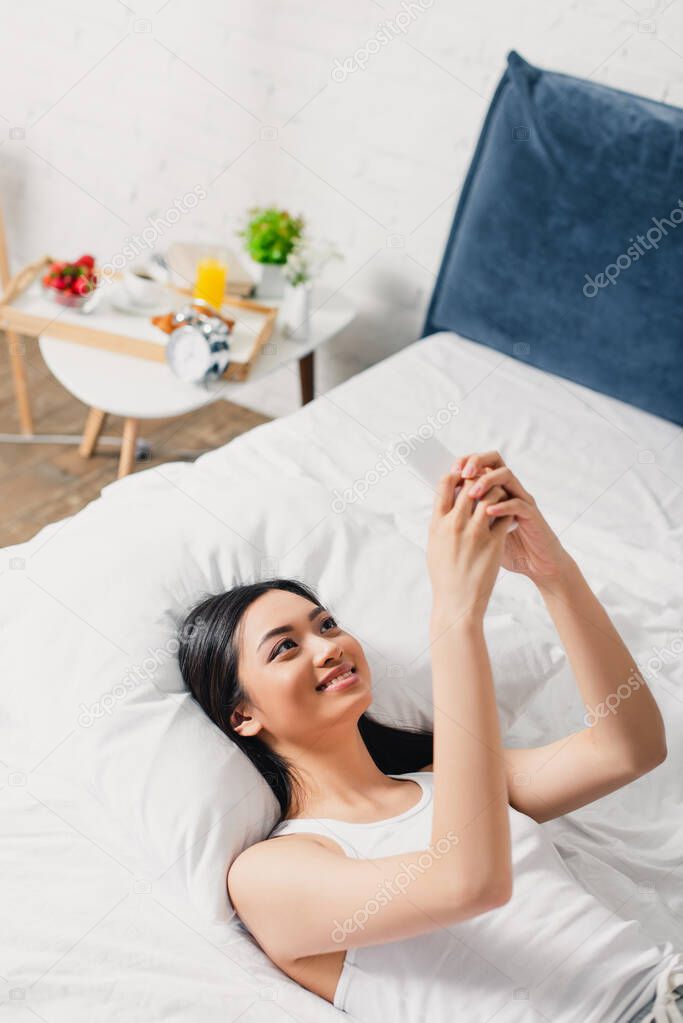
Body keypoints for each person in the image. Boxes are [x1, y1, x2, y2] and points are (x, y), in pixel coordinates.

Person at [178, 450, 683, 1022]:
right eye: (285, 647)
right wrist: (454, 616)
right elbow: (469, 884)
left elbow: (630, 747)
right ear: (242, 716)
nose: (328, 647)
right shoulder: (268, 873)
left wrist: (553, 573)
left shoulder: (448, 784)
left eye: (326, 625)